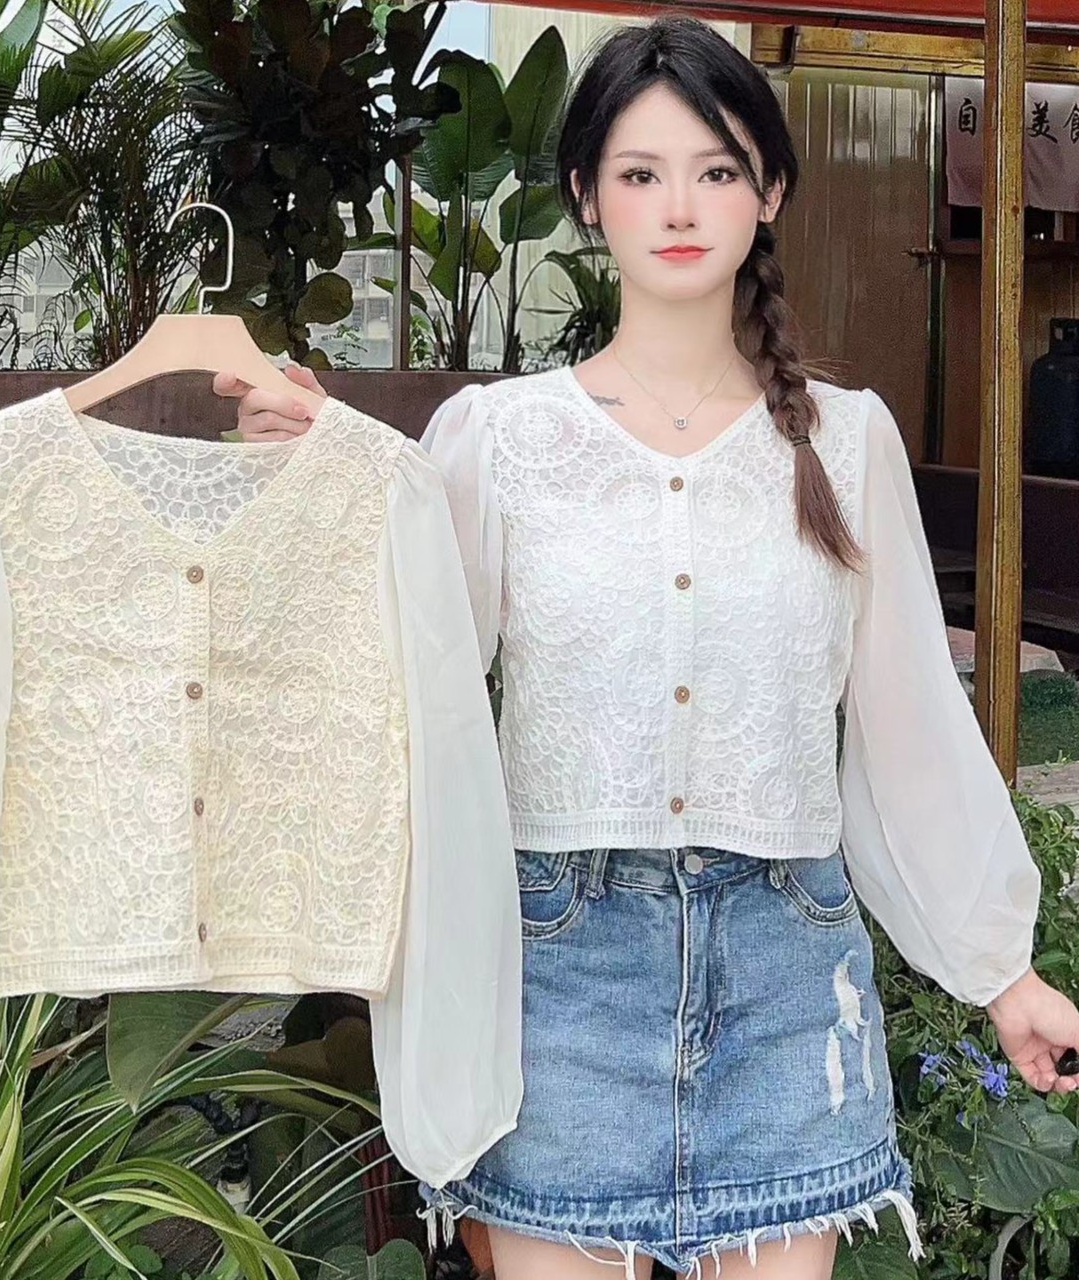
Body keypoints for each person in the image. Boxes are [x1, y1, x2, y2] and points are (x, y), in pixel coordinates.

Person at [212, 15, 1079, 1280]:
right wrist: (319, 482)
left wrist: (1001, 973)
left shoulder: (846, 440)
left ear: (767, 191)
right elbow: (400, 672)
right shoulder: (498, 439)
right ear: (585, 195)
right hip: (555, 971)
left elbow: (905, 724)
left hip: (787, 976)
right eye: (639, 172)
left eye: (715, 169)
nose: (678, 205)